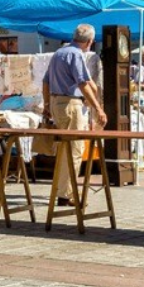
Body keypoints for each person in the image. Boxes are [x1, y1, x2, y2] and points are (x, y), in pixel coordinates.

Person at [44, 25, 107, 185]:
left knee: (65, 149)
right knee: (75, 149)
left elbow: (45, 82)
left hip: (57, 102)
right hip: (70, 104)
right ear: (90, 41)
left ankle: (61, 189)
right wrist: (98, 108)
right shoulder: (76, 54)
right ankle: (66, 192)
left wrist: (47, 105)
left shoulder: (59, 53)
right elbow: (83, 83)